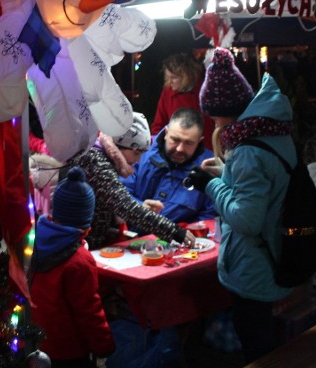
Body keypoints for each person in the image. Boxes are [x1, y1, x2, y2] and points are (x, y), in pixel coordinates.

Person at [185, 47, 295, 363]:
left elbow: (247, 219)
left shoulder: (248, 150)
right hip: (270, 254)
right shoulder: (271, 134)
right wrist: (224, 171)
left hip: (255, 265)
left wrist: (211, 184)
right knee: (266, 341)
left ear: (226, 110)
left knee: (257, 348)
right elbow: (263, 185)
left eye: (214, 114)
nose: (213, 121)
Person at [68, 112, 196, 249]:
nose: (138, 160)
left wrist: (141, 206)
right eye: (136, 152)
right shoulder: (96, 162)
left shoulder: (102, 157)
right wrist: (174, 231)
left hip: (89, 242)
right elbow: (125, 206)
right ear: (119, 144)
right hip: (77, 245)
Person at [30, 167, 115, 367]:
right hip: (68, 349)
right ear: (87, 224)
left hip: (36, 339)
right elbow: (88, 311)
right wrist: (105, 345)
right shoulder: (79, 261)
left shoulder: (32, 240)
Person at [120, 107, 216, 224]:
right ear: (166, 133)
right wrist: (139, 207)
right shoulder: (139, 152)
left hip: (180, 238)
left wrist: (186, 229)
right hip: (131, 234)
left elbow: (210, 215)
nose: (180, 149)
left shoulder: (209, 168)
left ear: (199, 141)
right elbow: (119, 192)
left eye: (189, 143)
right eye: (175, 139)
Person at [150, 52, 215, 150]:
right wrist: (156, 147)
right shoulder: (168, 91)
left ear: (186, 76)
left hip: (204, 149)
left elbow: (212, 126)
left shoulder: (205, 91)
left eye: (173, 77)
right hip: (175, 149)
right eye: (168, 77)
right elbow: (159, 123)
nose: (169, 81)